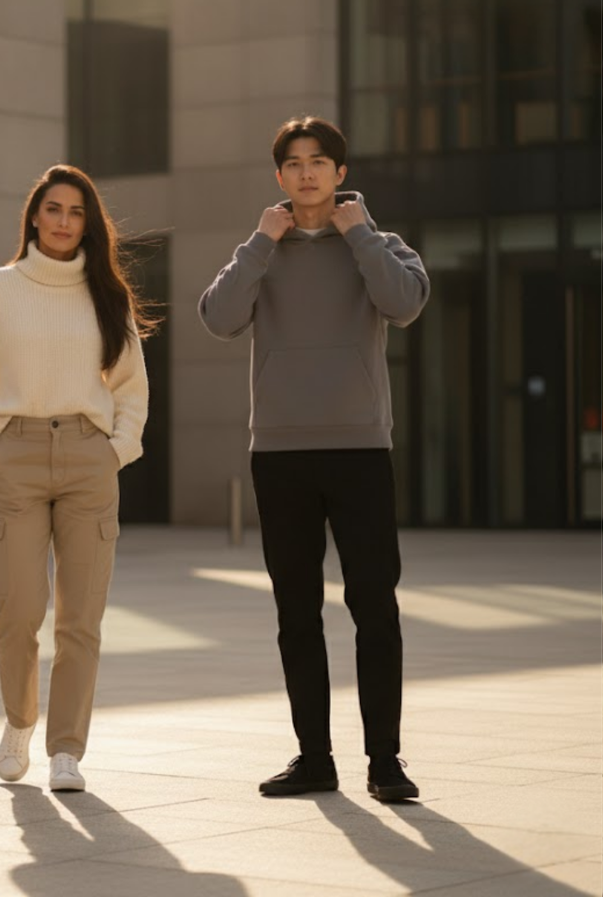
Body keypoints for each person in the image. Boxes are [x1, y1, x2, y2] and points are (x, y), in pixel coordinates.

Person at [197, 117, 429, 803]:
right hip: (280, 452)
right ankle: (314, 759)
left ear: (339, 172)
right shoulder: (260, 250)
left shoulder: (380, 245)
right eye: (293, 163)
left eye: (318, 161)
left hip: (360, 449)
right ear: (279, 176)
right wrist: (259, 243)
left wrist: (360, 235)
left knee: (374, 606)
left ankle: (385, 761)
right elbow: (218, 318)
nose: (306, 173)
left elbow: (404, 304)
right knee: (296, 613)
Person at [0, 164, 153, 794]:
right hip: (16, 453)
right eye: (54, 209)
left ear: (88, 224)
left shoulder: (107, 295)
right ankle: (19, 721)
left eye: (76, 212)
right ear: (35, 216)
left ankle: (67, 749)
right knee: (17, 609)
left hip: (90, 456)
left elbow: (131, 387)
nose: (64, 222)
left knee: (80, 618)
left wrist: (115, 451)